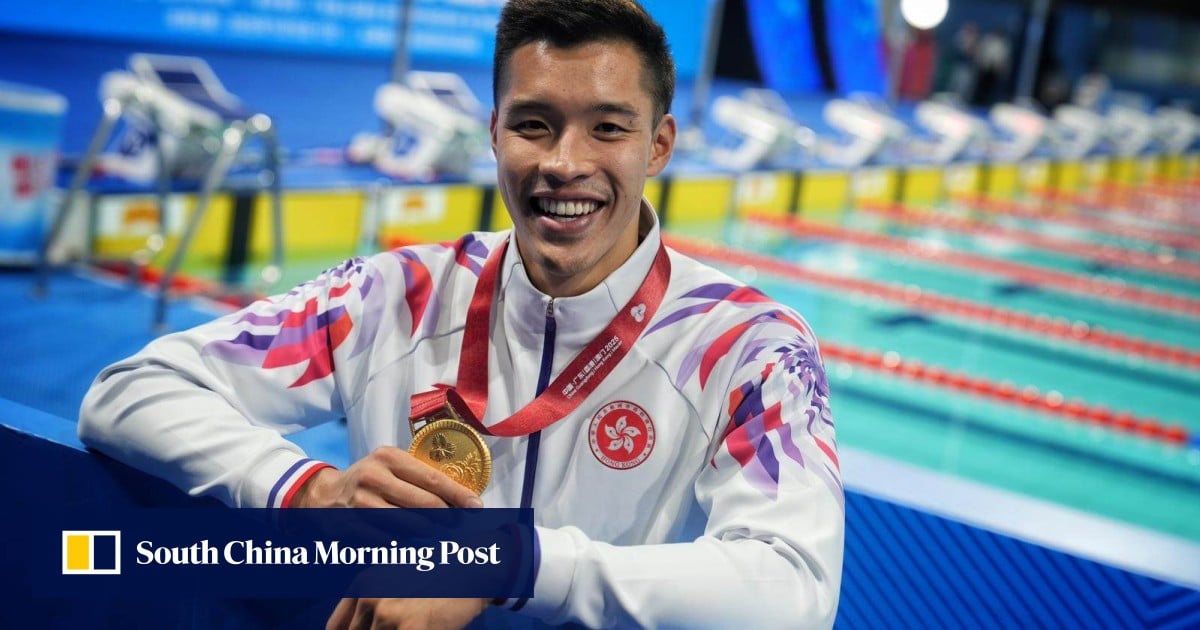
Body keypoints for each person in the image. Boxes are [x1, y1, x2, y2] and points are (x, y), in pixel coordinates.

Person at [78, 1, 844, 628]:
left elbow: (791, 589)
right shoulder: (398, 294)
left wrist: (510, 563)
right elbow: (129, 391)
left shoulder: (746, 347)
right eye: (533, 123)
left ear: (659, 146)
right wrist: (306, 489)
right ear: (494, 133)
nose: (563, 163)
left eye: (608, 127)